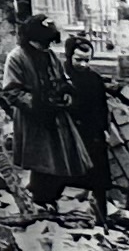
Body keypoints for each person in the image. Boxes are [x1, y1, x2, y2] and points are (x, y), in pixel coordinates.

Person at [9, 16, 82, 210]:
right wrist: (38, 104)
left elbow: (62, 78)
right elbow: (11, 91)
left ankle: (50, 199)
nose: (46, 46)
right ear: (31, 38)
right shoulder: (17, 57)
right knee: (41, 163)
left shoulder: (50, 56)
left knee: (61, 161)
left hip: (56, 117)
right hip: (33, 119)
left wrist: (66, 92)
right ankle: (39, 200)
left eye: (49, 42)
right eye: (43, 42)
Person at [59, 33, 117, 215]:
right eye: (79, 60)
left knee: (97, 175)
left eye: (87, 60)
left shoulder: (95, 79)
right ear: (69, 57)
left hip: (92, 134)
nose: (83, 65)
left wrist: (104, 130)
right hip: (68, 133)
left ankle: (100, 215)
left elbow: (102, 107)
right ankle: (65, 213)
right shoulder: (60, 79)